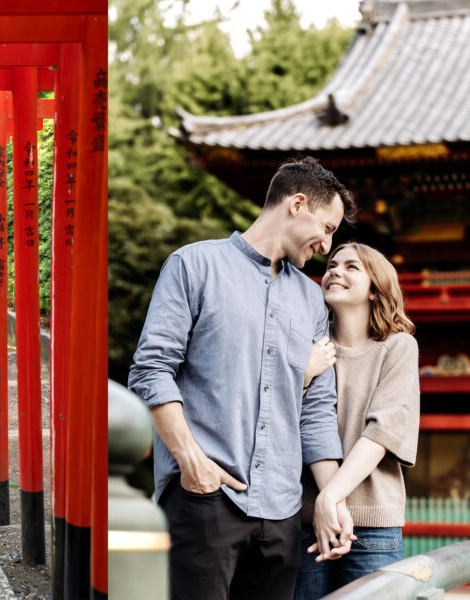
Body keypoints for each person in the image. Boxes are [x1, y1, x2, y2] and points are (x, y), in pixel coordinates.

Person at [128, 157, 358, 600]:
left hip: (282, 511)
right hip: (205, 499)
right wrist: (190, 462)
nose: (327, 247)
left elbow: (314, 411)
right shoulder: (194, 265)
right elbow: (152, 368)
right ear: (297, 204)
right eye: (327, 228)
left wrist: (332, 500)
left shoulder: (312, 300)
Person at [295, 242, 420, 599]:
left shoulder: (398, 347)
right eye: (332, 264)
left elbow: (381, 432)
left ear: (375, 288)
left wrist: (329, 497)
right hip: (306, 523)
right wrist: (302, 375)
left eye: (352, 267)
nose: (335, 270)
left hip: (372, 526)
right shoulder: (309, 347)